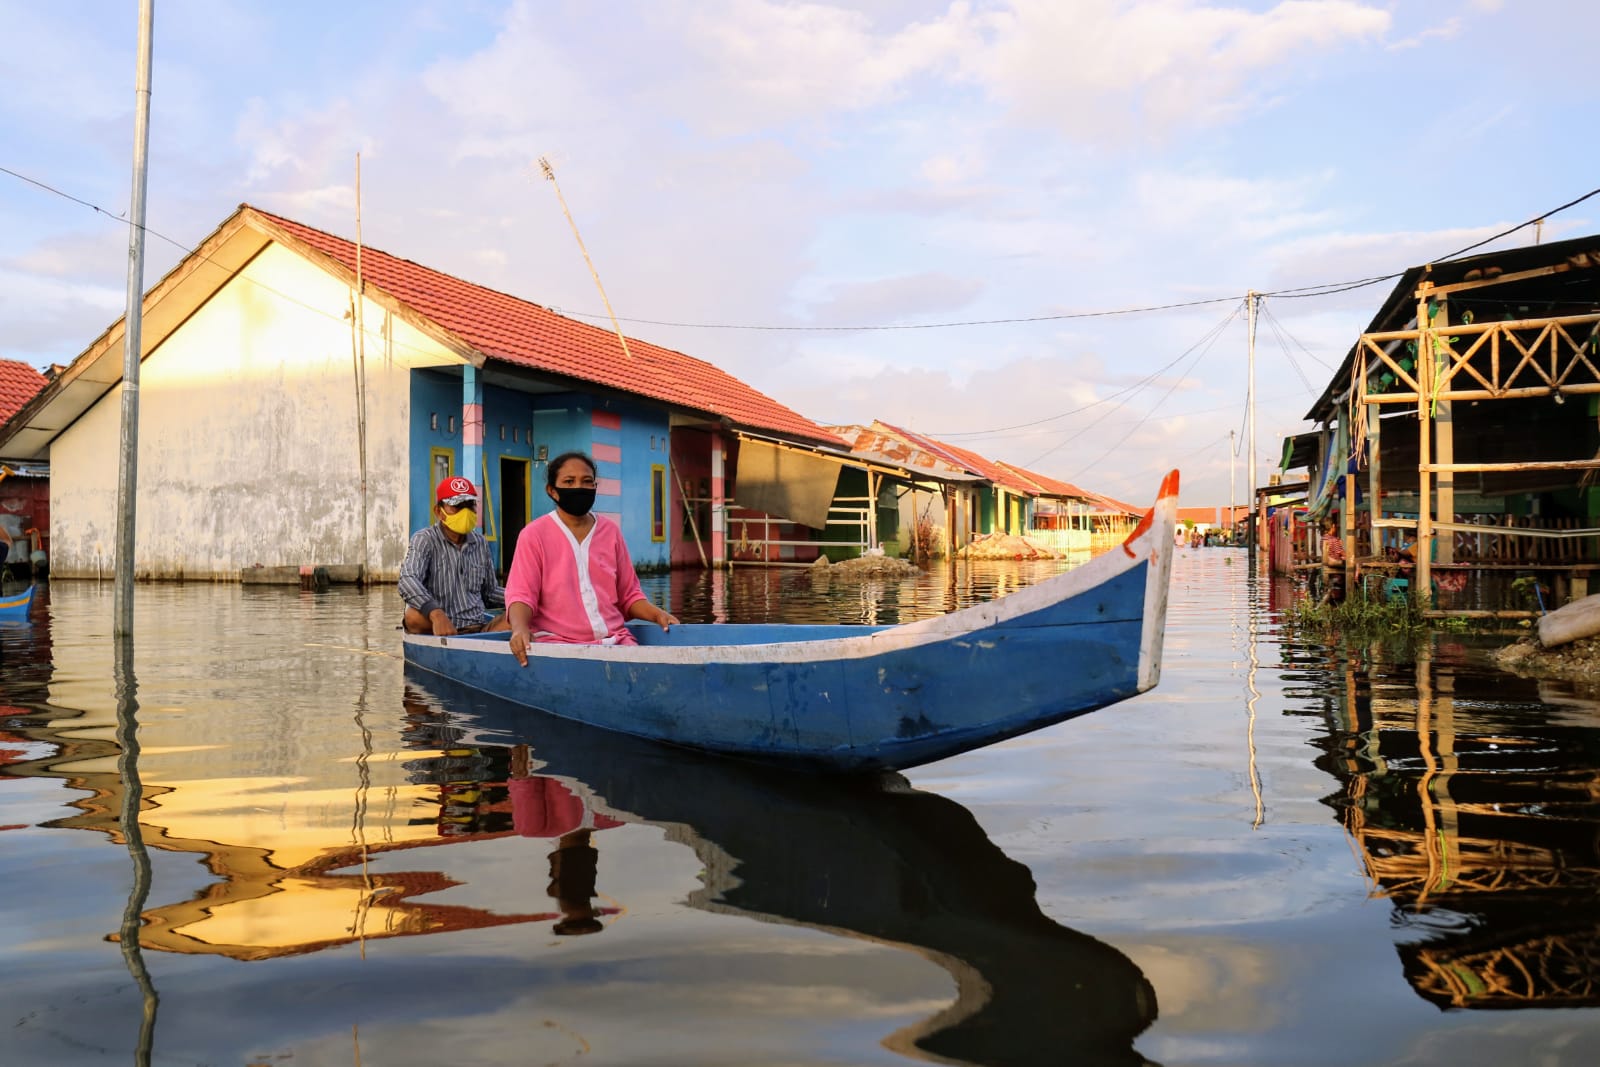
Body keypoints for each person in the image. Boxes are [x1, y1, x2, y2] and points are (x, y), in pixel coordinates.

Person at [506, 451, 678, 665]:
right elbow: (522, 596)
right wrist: (520, 629)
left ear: (595, 487)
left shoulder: (610, 532)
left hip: (616, 642)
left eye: (587, 481)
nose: (579, 487)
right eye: (569, 481)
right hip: (558, 646)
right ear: (552, 490)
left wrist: (657, 614)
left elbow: (629, 596)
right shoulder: (534, 535)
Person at [398, 476, 509, 635]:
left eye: (470, 506)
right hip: (436, 626)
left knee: (520, 616)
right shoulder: (425, 539)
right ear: (439, 511)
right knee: (412, 616)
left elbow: (490, 591)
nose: (465, 512)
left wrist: (523, 598)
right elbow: (408, 580)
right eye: (457, 506)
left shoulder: (480, 543)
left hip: (477, 626)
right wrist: (435, 613)